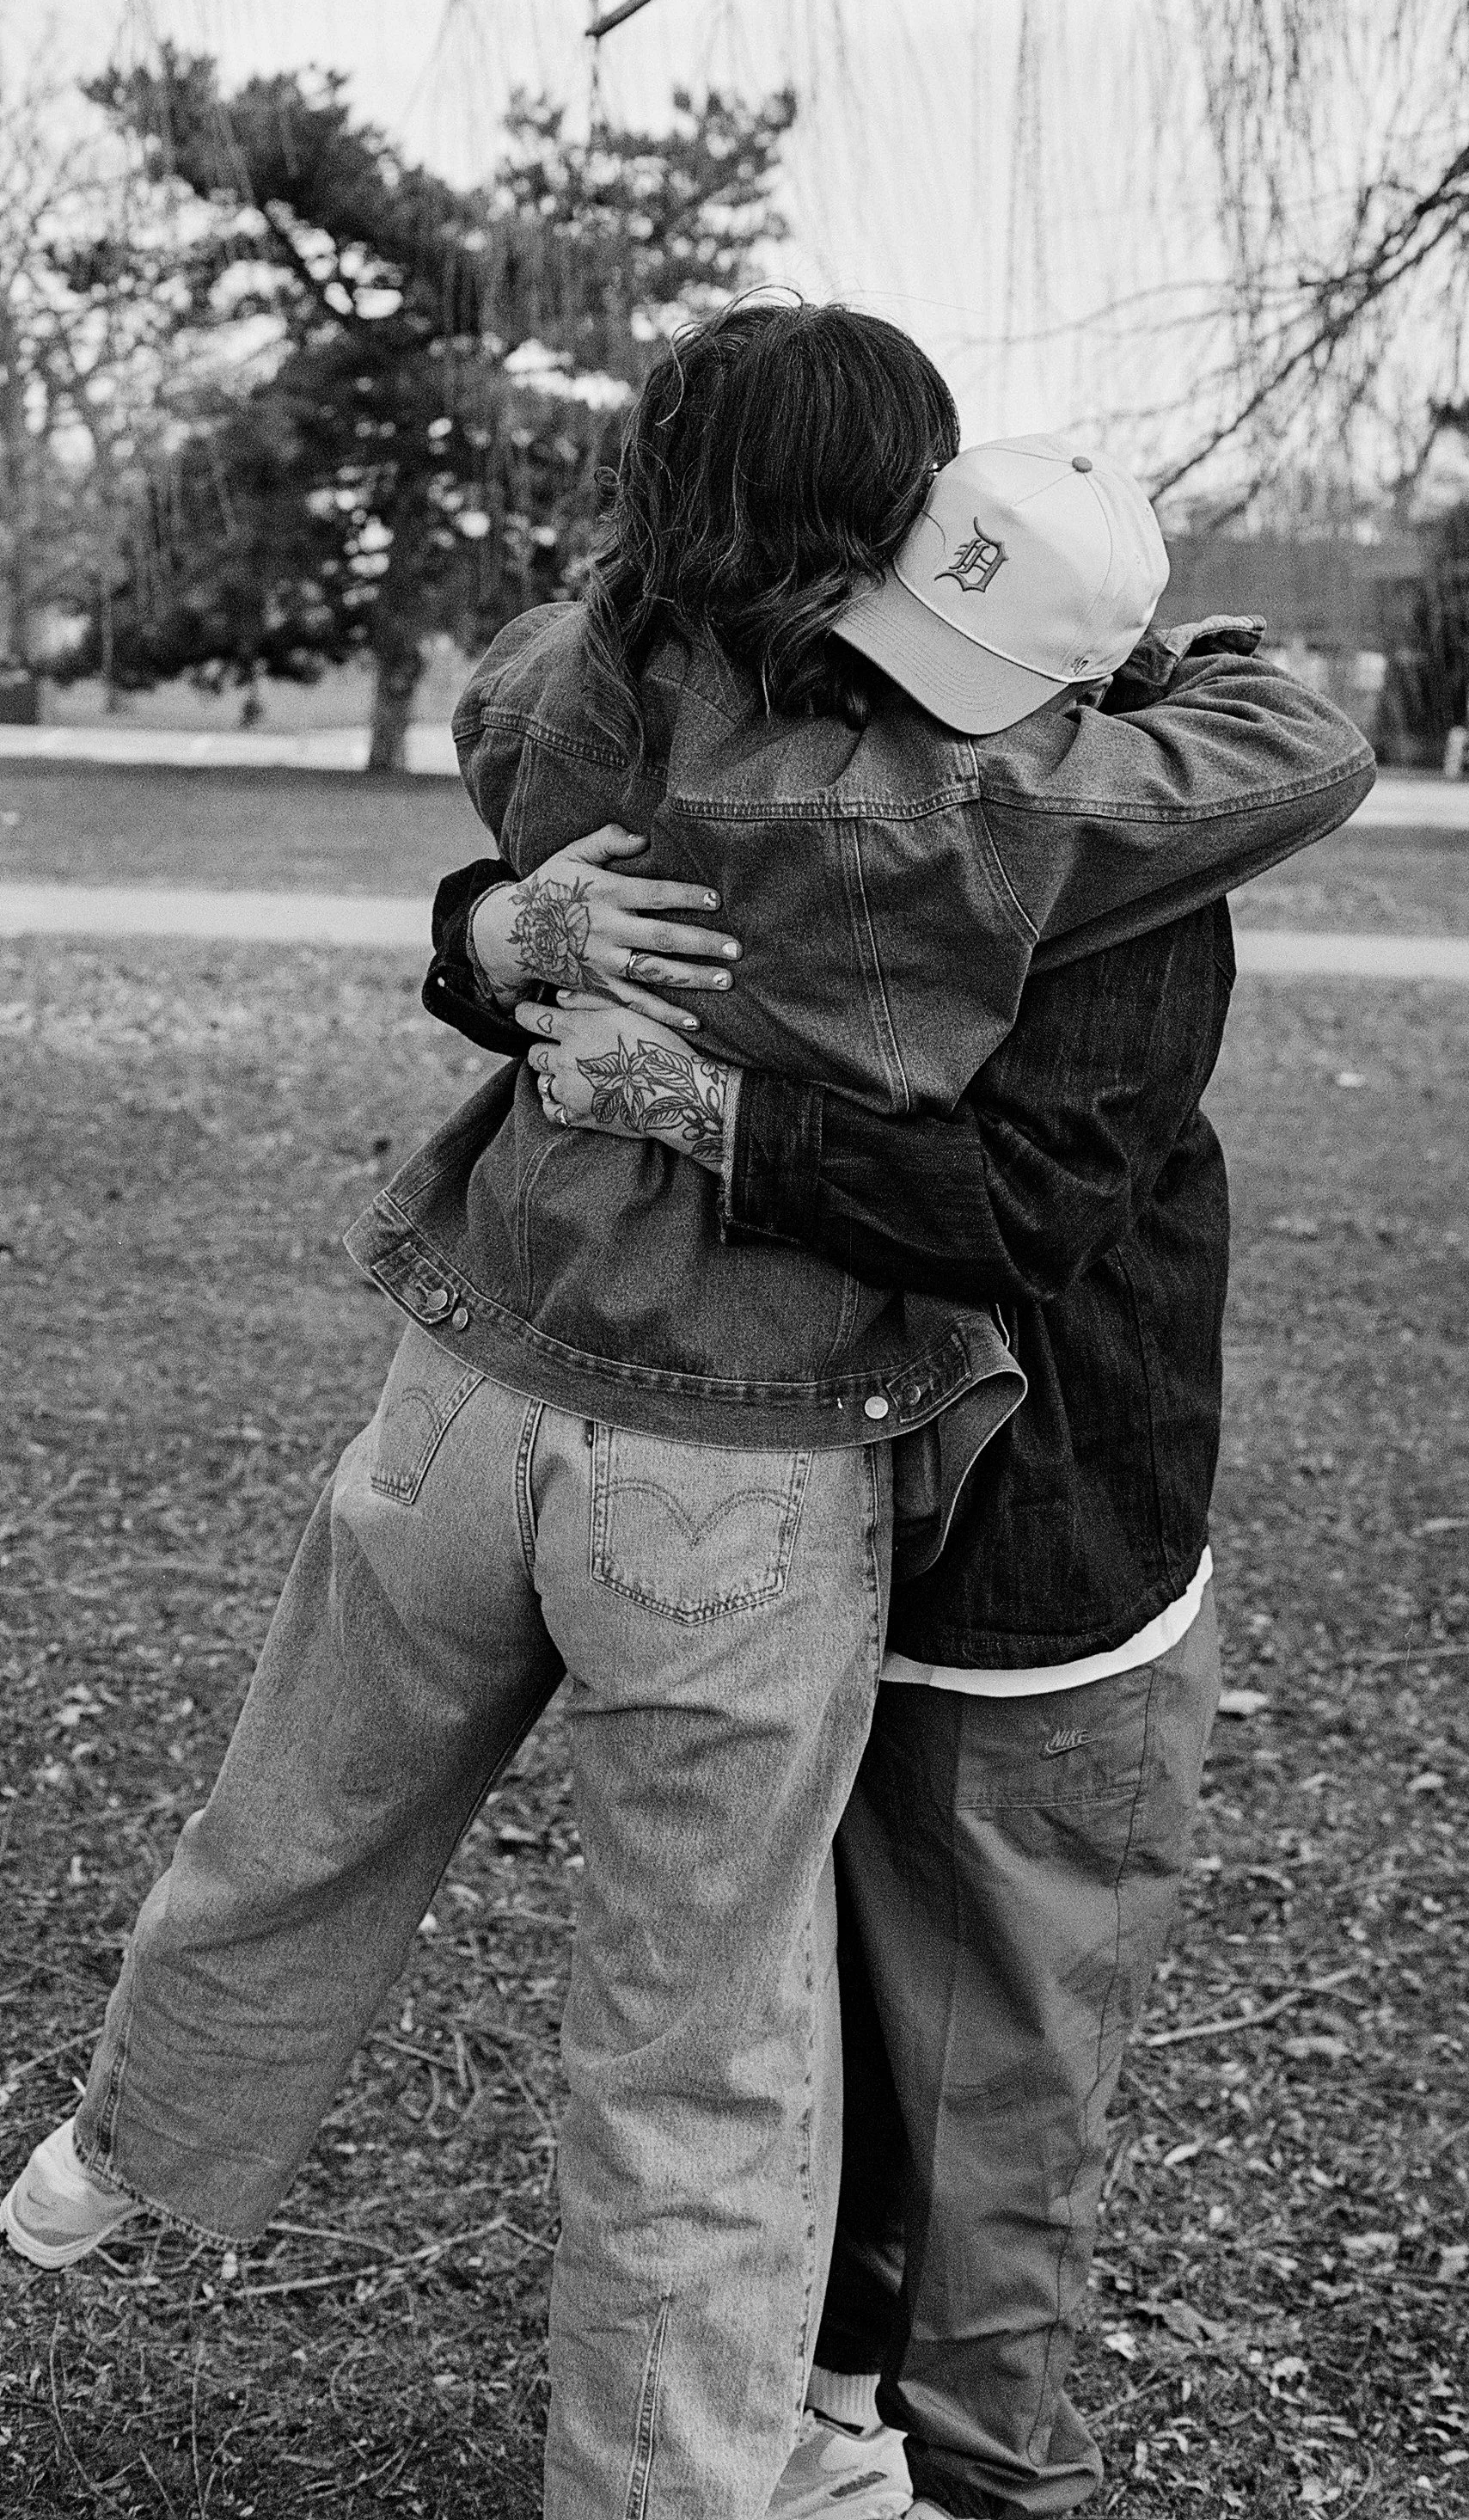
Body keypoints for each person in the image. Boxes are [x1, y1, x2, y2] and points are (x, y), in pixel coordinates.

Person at [3, 299, 1370, 2520]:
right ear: (868, 551)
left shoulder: (587, 695)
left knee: (305, 1799)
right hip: (725, 1468)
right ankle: (682, 2483)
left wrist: (514, 923)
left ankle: (119, 2140)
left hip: (469, 1376)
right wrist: (1189, 656)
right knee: (701, 2044)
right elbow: (1296, 761)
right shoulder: (982, 813)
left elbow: (492, 697)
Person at [445, 624, 1263, 2520]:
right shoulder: (796, 757)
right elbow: (565, 895)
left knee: (986, 2093)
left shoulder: (1103, 854)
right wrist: (501, 931)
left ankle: (985, 2482)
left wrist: (697, 1108)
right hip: (784, 1518)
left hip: (1022, 1548)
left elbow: (1026, 1208)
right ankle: (809, 2423)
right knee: (773, 2039)